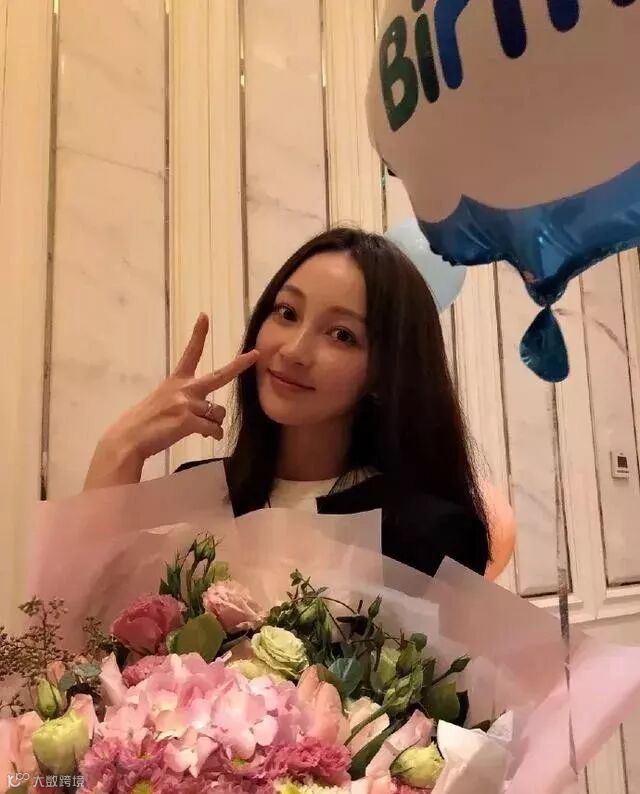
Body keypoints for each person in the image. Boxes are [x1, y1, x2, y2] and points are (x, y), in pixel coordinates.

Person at [85, 227, 515, 577]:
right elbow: (80, 624)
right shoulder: (198, 491)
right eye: (287, 313)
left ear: (385, 373)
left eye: (342, 334)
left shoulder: (426, 532)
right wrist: (121, 447)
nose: (294, 351)